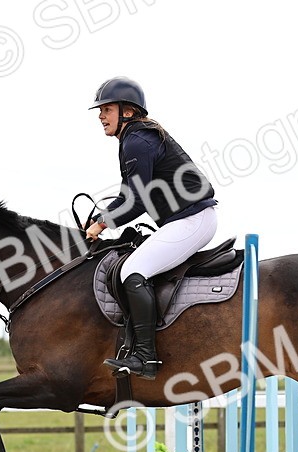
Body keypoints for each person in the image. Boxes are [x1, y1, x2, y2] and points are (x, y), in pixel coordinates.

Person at [86, 77, 218, 380]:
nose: (100, 116)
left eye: (106, 109)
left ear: (128, 111)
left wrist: (101, 224)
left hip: (192, 221)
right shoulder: (134, 138)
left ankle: (146, 357)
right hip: (186, 219)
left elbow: (135, 205)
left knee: (131, 272)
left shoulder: (137, 141)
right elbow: (126, 197)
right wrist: (99, 219)